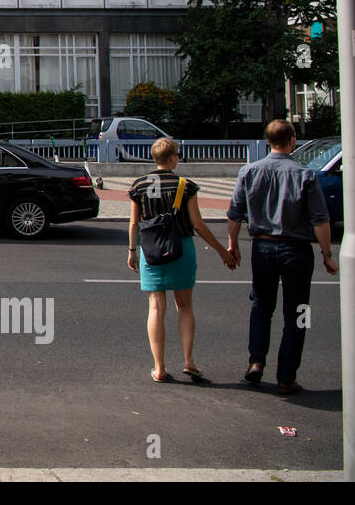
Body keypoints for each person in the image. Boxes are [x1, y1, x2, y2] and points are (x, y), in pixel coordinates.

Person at [226, 119, 337, 395]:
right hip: (296, 249)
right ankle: (286, 377)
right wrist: (327, 254)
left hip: (262, 247)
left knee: (261, 306)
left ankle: (256, 362)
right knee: (298, 313)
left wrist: (232, 245)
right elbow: (320, 220)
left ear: (268, 141)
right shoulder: (305, 175)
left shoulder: (249, 171)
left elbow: (234, 214)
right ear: (292, 140)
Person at [128, 137, 236, 383]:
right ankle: (189, 361)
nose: (179, 158)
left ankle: (159, 367)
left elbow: (134, 223)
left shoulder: (138, 185)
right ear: (172, 157)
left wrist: (132, 250)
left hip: (150, 250)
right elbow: (198, 224)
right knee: (185, 306)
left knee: (156, 307)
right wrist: (222, 250)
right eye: (177, 154)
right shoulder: (185, 185)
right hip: (181, 248)